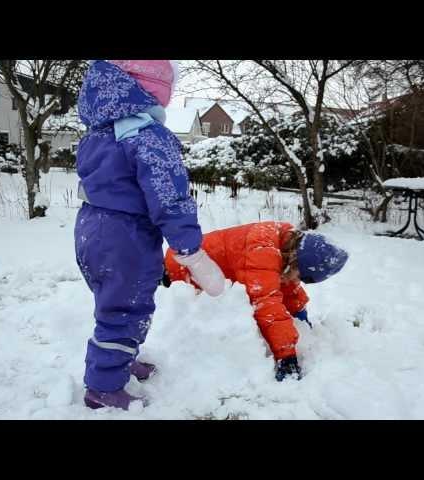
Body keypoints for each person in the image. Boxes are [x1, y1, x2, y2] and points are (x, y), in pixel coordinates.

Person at [74, 60, 225, 410]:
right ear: (152, 89)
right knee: (125, 310)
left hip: (90, 229)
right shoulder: (147, 136)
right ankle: (103, 387)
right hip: (125, 236)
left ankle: (118, 359)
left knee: (112, 304)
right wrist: (191, 250)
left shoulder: (98, 133)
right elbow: (169, 196)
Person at [163, 221, 348, 381]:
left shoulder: (284, 240)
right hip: (181, 269)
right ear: (294, 260)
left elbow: (285, 282)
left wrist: (299, 311)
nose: (296, 281)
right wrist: (286, 354)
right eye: (298, 275)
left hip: (188, 259)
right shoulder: (262, 251)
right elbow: (266, 303)